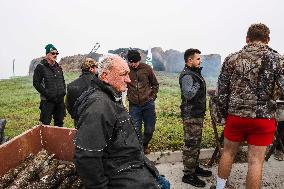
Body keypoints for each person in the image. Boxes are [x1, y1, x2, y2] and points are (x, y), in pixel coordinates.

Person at [73, 55, 170, 189]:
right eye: (123, 74)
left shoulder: (110, 97)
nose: (129, 80)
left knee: (165, 183)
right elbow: (87, 157)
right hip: (124, 177)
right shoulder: (98, 106)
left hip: (135, 169)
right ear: (105, 76)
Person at [212, 23, 284, 189]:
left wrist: (224, 114)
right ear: (268, 40)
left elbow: (221, 92)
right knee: (255, 162)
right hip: (263, 118)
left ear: (247, 39)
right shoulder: (277, 59)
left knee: (228, 153)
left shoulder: (232, 58)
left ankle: (220, 187)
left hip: (235, 116)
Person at [179, 48, 212, 187]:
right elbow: (188, 94)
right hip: (191, 115)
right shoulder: (188, 75)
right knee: (191, 145)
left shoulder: (194, 73)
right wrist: (198, 84)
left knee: (196, 144)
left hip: (196, 114)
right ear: (190, 60)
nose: (200, 61)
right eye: (198, 59)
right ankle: (188, 175)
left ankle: (194, 168)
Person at [126, 49, 159, 154]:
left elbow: (155, 84)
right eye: (131, 62)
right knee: (136, 130)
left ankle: (145, 144)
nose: (133, 64)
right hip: (134, 105)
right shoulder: (126, 70)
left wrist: (152, 97)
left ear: (139, 60)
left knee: (149, 129)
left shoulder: (147, 69)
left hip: (148, 104)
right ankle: (139, 151)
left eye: (135, 62)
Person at [33, 44, 66, 127]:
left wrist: (63, 91)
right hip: (47, 101)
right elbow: (36, 83)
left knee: (59, 123)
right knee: (45, 124)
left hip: (59, 101)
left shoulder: (58, 67)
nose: (55, 55)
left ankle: (58, 140)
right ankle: (45, 140)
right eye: (53, 53)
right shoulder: (40, 67)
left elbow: (62, 80)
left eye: (56, 53)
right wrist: (47, 94)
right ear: (47, 54)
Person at [65, 57, 98, 123]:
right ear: (91, 69)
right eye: (96, 67)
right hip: (96, 120)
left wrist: (75, 116)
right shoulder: (99, 84)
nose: (97, 69)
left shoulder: (71, 85)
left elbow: (68, 105)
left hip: (78, 120)